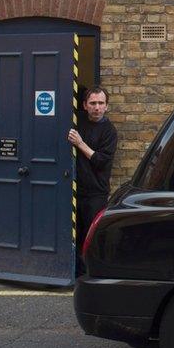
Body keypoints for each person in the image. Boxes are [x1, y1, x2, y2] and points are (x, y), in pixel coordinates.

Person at [67, 86, 118, 274]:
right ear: (84, 106)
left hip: (96, 193)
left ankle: (90, 274)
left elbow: (101, 161)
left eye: (101, 103)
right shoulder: (77, 121)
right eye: (93, 103)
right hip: (73, 190)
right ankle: (74, 273)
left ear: (106, 106)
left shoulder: (109, 131)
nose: (97, 107)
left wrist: (80, 144)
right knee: (74, 235)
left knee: (91, 236)